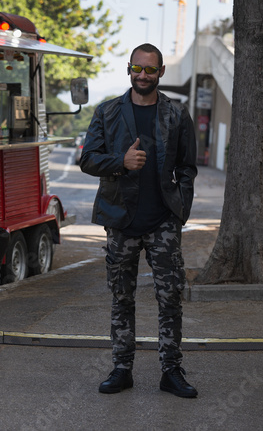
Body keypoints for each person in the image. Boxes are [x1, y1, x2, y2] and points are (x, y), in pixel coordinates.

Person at [79, 43, 198, 398]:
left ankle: (171, 371)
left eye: (150, 69)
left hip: (163, 221)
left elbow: (187, 168)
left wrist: (180, 211)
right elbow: (88, 160)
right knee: (121, 296)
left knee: (171, 296)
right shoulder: (108, 112)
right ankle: (122, 368)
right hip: (121, 219)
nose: (142, 75)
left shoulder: (177, 114)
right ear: (128, 69)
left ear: (161, 72)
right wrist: (121, 162)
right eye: (137, 68)